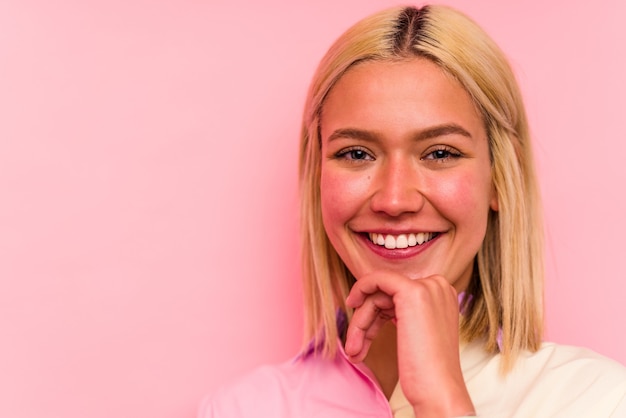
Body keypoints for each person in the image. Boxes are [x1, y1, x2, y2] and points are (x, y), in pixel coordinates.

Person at [200, 4, 626, 417]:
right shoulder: (242, 409)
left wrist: (443, 404)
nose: (394, 200)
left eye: (440, 153)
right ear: (318, 176)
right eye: (357, 153)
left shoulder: (600, 402)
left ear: (500, 176)